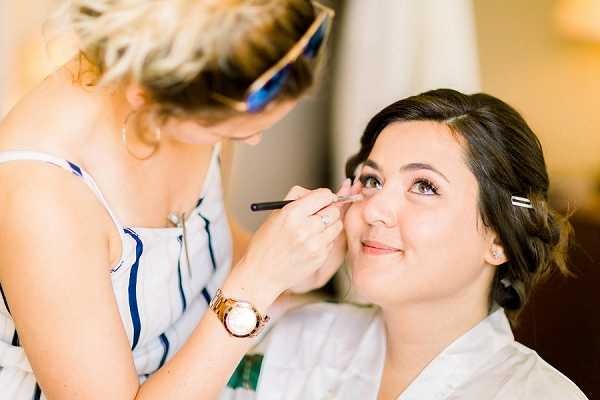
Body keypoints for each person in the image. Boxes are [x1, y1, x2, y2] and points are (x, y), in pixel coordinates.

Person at [0, 1, 346, 399]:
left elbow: (199, 255)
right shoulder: (42, 197)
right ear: (144, 96)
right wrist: (257, 285)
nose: (252, 139)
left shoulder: (206, 94)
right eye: (236, 130)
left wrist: (295, 266)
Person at [232, 89, 589, 399]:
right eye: (371, 180)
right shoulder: (300, 337)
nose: (375, 209)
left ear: (499, 239)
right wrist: (269, 281)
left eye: (424, 186)